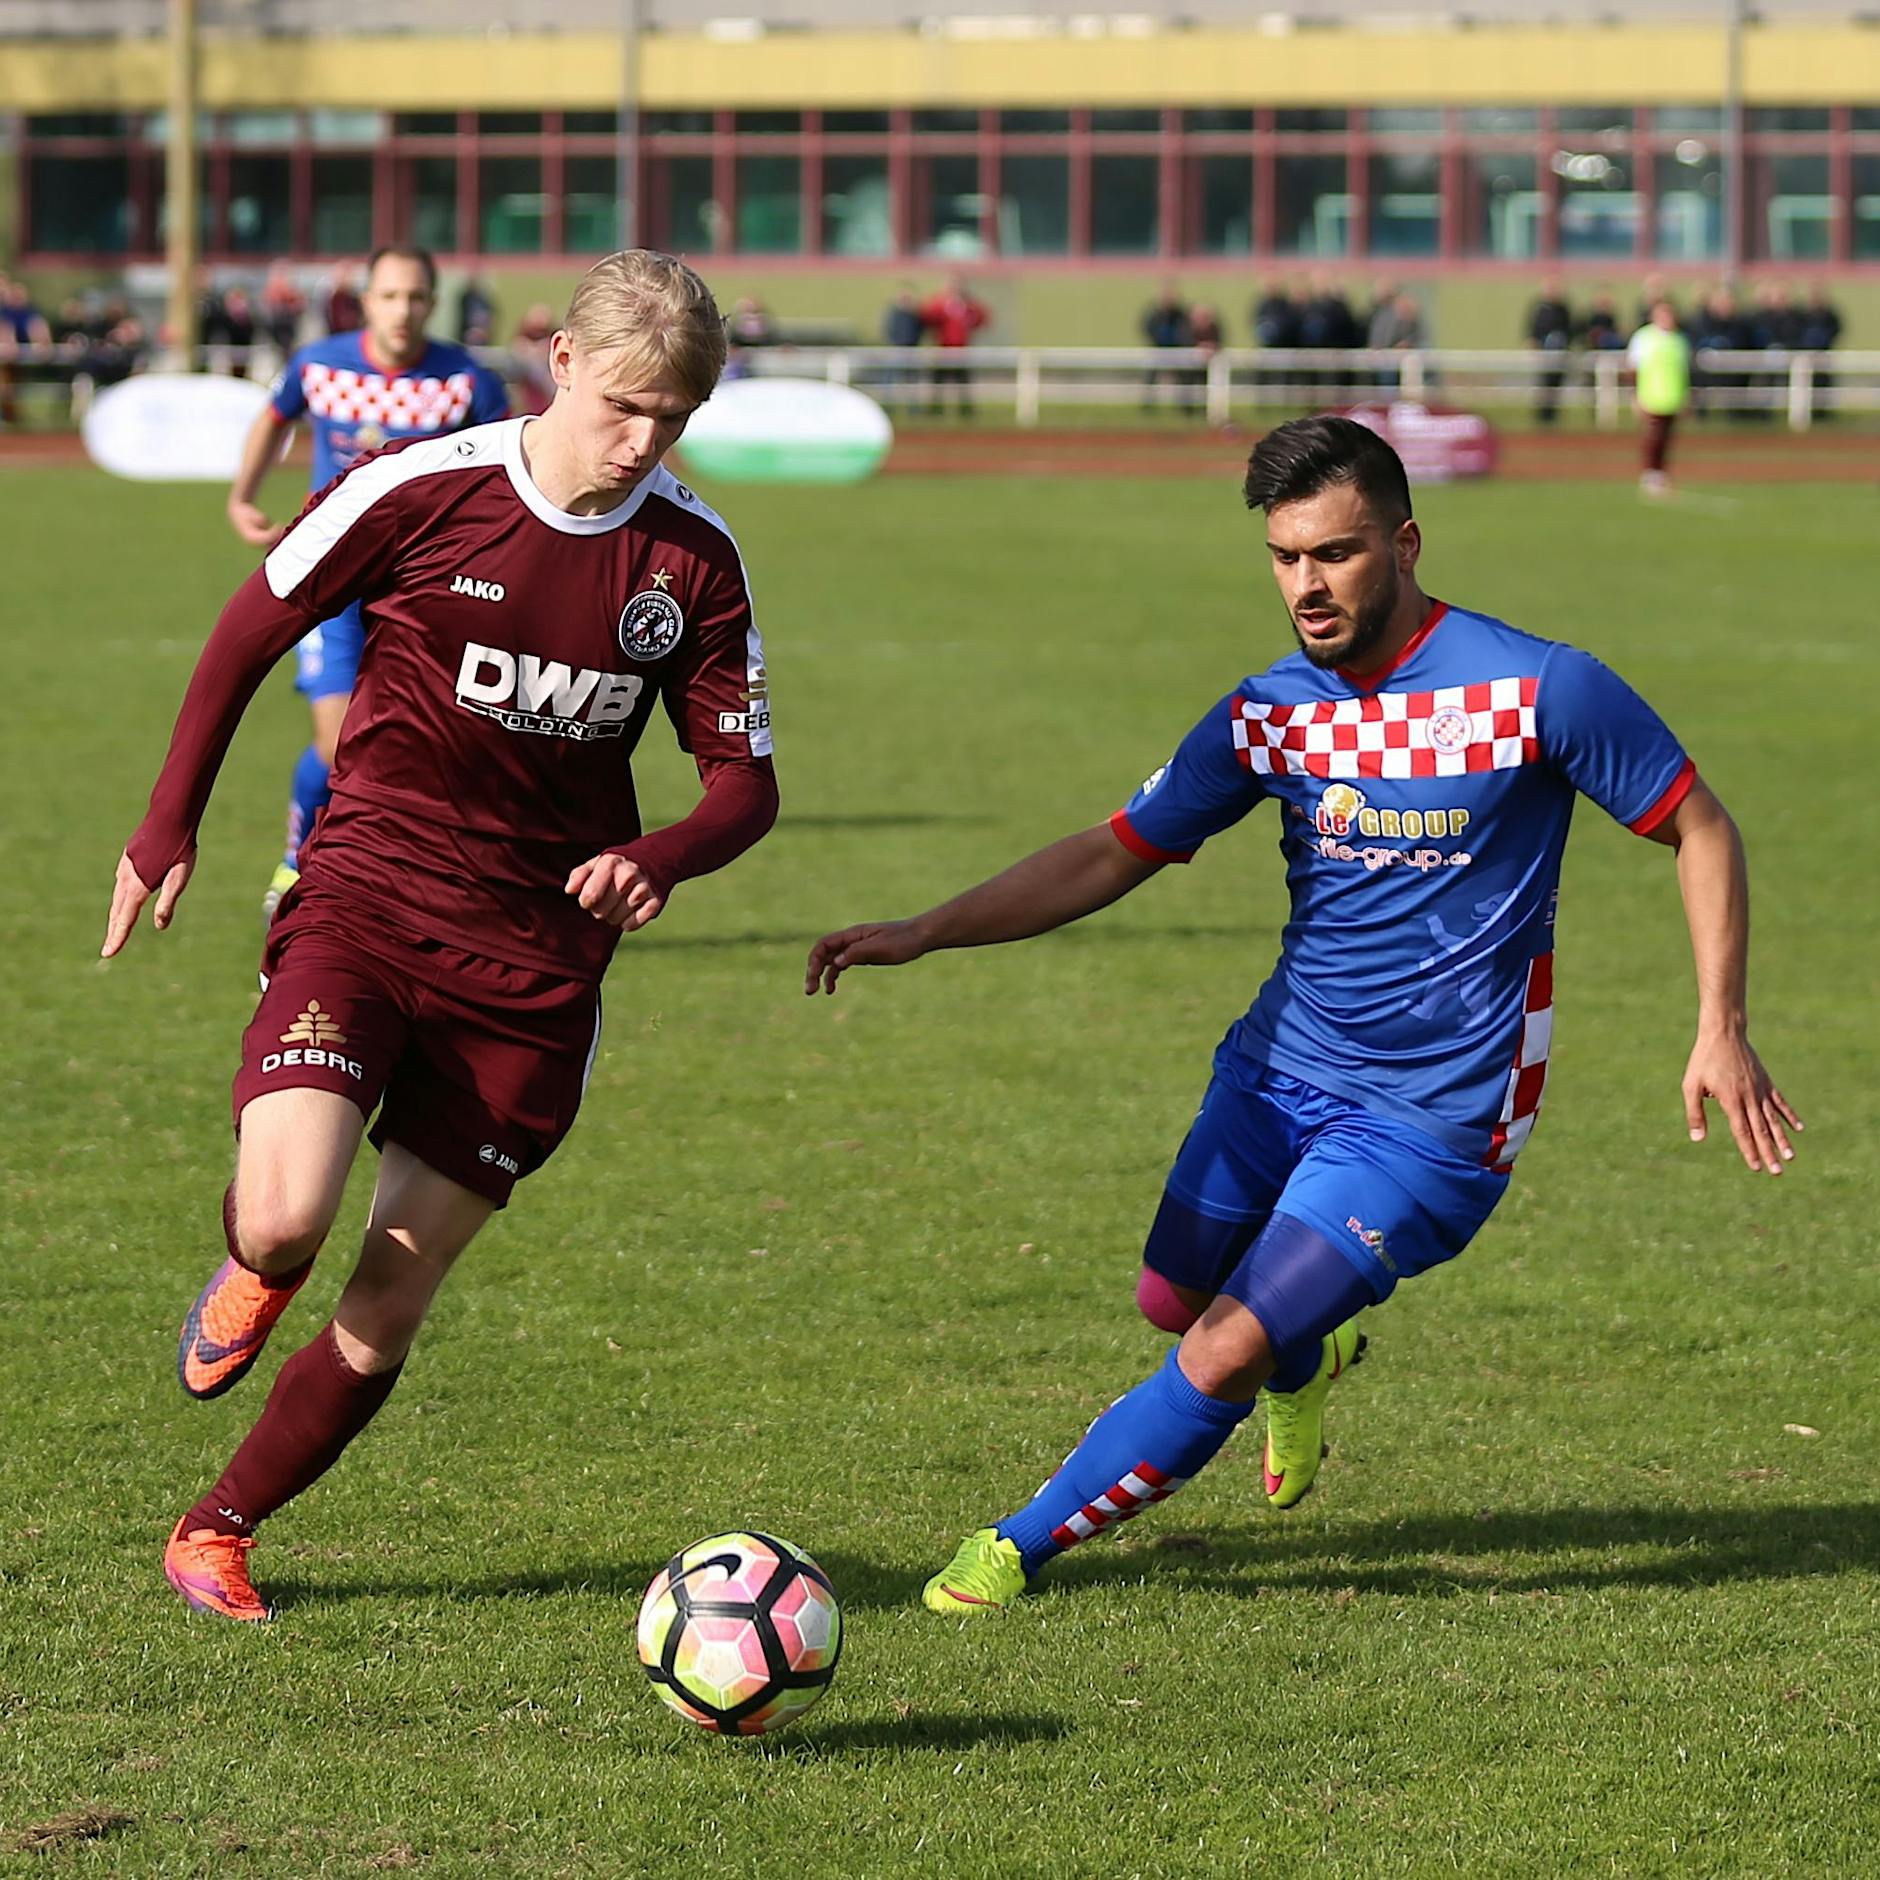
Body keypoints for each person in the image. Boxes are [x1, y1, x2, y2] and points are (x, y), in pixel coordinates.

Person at [805, 414, 1799, 1617]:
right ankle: (1311, 1354)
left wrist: (1718, 1022)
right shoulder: (1266, 713)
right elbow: (1112, 853)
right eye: (1283, 557)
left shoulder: (1534, 687)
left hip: (1432, 1118)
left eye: (1332, 552)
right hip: (1275, 1071)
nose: (1305, 584)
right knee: (1171, 1300)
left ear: (1404, 541)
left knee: (1215, 1344)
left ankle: (1009, 1548)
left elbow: (1698, 822)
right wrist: (926, 928)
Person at [104, 248, 779, 1624]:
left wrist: (663, 856)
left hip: (534, 968)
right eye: (629, 405)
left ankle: (218, 1530)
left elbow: (745, 783)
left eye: (679, 419)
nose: (646, 441)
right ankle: (254, 1259)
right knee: (291, 1218)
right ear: (564, 362)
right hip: (366, 900)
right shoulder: (428, 485)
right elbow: (252, 626)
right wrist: (168, 822)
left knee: (391, 1297)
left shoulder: (694, 561)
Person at [224, 245, 510, 923]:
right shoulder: (320, 365)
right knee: (337, 744)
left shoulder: (467, 381)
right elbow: (273, 422)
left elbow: (505, 469)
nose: (403, 310)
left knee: (428, 743)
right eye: (390, 296)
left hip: (426, 589)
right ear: (367, 301)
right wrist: (243, 496)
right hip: (333, 583)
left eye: (416, 298)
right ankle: (297, 864)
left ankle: (408, 881)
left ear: (432, 302)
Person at [1629, 296, 1693, 494]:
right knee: (1652, 438)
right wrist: (1635, 396)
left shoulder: (1679, 340)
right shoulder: (1644, 338)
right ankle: (1650, 474)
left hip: (1672, 398)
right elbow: (1634, 369)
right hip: (1651, 397)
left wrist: (1685, 396)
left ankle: (1661, 473)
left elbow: (1683, 371)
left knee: (1667, 439)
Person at [920, 273, 989, 418]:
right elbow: (927, 317)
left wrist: (972, 319)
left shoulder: (969, 304)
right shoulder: (939, 302)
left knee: (963, 382)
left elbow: (982, 318)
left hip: (961, 350)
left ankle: (966, 411)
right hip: (943, 349)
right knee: (938, 382)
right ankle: (935, 410)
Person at [1525, 276, 1574, 426]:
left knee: (1556, 381)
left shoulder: (1563, 308)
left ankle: (1553, 414)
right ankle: (1542, 414)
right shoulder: (1539, 308)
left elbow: (1569, 328)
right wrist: (1533, 342)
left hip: (1560, 351)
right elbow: (1532, 328)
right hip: (1544, 351)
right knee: (1544, 381)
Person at [1140, 281, 1194, 413]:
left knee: (1183, 378)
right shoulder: (1154, 313)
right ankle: (1148, 408)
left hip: (1176, 351)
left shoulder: (1180, 314)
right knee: (1151, 378)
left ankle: (1186, 408)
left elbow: (1186, 331)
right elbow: (1147, 328)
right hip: (1158, 350)